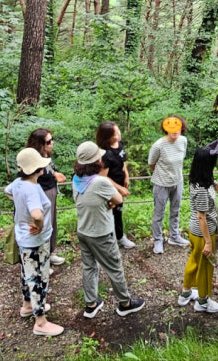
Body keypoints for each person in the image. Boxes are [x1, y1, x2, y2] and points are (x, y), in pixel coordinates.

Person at [72, 142, 145, 319]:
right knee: (114, 267)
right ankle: (125, 304)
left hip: (83, 230)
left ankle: (91, 304)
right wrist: (109, 201)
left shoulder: (77, 179)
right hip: (101, 232)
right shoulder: (100, 182)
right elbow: (118, 199)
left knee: (89, 267)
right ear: (96, 160)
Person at [6, 148, 63, 336]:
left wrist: (20, 205)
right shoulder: (31, 189)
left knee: (27, 273)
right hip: (36, 240)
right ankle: (40, 322)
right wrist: (38, 225)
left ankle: (27, 305)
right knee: (39, 277)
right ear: (38, 169)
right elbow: (37, 214)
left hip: (23, 237)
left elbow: (8, 192)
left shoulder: (18, 183)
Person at [178, 147, 218, 313]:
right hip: (202, 233)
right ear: (207, 164)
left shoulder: (202, 179)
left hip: (197, 232)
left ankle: (185, 293)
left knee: (194, 261)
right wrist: (208, 242)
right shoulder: (201, 189)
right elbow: (201, 217)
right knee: (205, 267)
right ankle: (203, 301)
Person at [26, 128, 68, 266]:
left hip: (51, 191)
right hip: (41, 193)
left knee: (51, 224)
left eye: (51, 139)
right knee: (42, 225)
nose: (52, 143)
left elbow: (51, 169)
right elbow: (35, 175)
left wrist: (55, 174)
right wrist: (53, 175)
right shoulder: (32, 159)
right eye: (49, 141)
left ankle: (50, 252)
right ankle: (41, 258)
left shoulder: (46, 156)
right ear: (40, 144)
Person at [148, 115, 189, 254]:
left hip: (178, 181)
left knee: (175, 210)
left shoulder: (183, 141)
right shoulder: (158, 145)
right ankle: (158, 240)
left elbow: (181, 160)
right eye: (171, 127)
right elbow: (151, 164)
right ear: (166, 128)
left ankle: (174, 236)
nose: (174, 130)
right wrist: (163, 174)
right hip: (161, 183)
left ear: (182, 128)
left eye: (177, 127)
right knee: (158, 213)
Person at [95, 121, 136, 249]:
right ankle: (114, 238)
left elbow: (123, 161)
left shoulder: (119, 144)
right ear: (107, 137)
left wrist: (126, 175)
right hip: (110, 188)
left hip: (120, 183)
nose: (119, 135)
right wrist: (119, 188)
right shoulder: (105, 154)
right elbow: (103, 177)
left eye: (118, 131)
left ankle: (118, 236)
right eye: (115, 134)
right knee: (111, 212)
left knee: (118, 211)